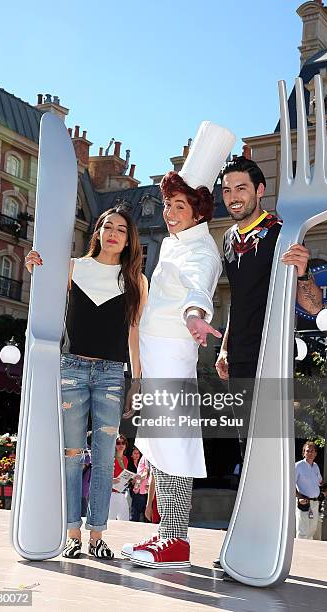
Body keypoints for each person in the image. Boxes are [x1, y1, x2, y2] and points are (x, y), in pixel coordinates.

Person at [123, 121, 235, 569]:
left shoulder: (202, 249)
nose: (170, 212)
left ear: (199, 209)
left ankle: (176, 541)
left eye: (179, 205)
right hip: (155, 352)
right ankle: (168, 537)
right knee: (163, 448)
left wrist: (195, 316)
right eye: (168, 204)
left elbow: (199, 287)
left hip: (171, 350)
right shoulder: (173, 244)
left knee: (173, 446)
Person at [213, 155, 323, 569]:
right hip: (239, 356)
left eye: (241, 188)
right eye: (227, 190)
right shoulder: (227, 239)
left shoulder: (283, 232)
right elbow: (239, 299)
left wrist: (305, 270)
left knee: (272, 447)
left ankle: (272, 542)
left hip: (273, 354)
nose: (233, 197)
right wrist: (224, 346)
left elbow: (313, 305)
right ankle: (248, 542)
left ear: (260, 191)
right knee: (246, 446)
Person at [25, 206, 147, 559]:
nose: (112, 233)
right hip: (71, 369)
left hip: (112, 374)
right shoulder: (74, 267)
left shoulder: (136, 281)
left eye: (121, 229)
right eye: (107, 226)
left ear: (128, 240)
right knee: (72, 455)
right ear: (97, 232)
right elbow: (46, 297)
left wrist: (136, 381)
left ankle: (97, 536)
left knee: (106, 459)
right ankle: (73, 535)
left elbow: (134, 333)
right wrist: (36, 267)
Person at [295, 441, 324, 539]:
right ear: (303, 453)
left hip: (315, 503)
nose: (310, 453)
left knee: (312, 530)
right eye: (308, 451)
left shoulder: (316, 466)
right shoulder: (298, 466)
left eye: (312, 451)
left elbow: (320, 482)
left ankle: (308, 553)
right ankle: (300, 554)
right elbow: (290, 485)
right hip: (304, 502)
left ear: (315, 454)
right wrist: (299, 497)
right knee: (303, 531)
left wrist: (325, 490)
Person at [108, 434, 130, 521]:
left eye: (123, 443)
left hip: (122, 493)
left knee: (125, 520)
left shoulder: (125, 459)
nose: (121, 445)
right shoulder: (111, 458)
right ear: (114, 444)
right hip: (111, 494)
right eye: (118, 443)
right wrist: (111, 480)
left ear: (126, 445)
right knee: (111, 520)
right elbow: (104, 475)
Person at [130, 453, 150, 522]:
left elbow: (145, 473)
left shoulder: (146, 457)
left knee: (135, 516)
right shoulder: (146, 457)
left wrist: (137, 486)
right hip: (143, 490)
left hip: (140, 490)